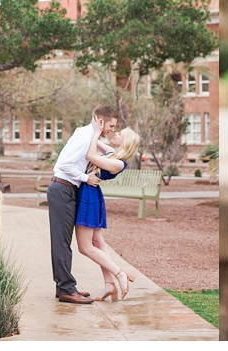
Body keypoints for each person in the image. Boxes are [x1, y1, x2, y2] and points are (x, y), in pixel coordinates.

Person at [47, 104, 117, 305]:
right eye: (110, 126)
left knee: (63, 242)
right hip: (63, 189)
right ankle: (66, 289)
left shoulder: (86, 134)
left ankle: (64, 286)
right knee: (61, 242)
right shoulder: (85, 137)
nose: (112, 130)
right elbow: (63, 165)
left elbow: (110, 152)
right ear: (101, 121)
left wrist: (98, 136)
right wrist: (85, 177)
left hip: (66, 190)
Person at [76, 120, 141, 301]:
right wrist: (92, 128)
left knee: (85, 247)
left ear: (125, 142)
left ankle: (119, 274)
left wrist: (96, 133)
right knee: (98, 242)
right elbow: (95, 142)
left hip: (89, 199)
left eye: (120, 134)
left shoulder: (119, 163)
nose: (116, 134)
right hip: (90, 195)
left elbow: (90, 154)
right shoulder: (112, 153)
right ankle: (109, 285)